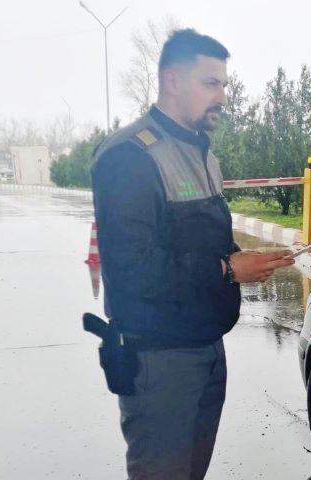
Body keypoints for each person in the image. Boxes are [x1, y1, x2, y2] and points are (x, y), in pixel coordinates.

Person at [91, 29, 294, 479]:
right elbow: (130, 268)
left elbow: (201, 242)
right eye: (211, 83)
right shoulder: (130, 156)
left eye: (224, 84)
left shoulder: (202, 154)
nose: (223, 96)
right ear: (172, 80)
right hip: (159, 358)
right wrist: (227, 269)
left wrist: (243, 260)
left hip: (206, 347)